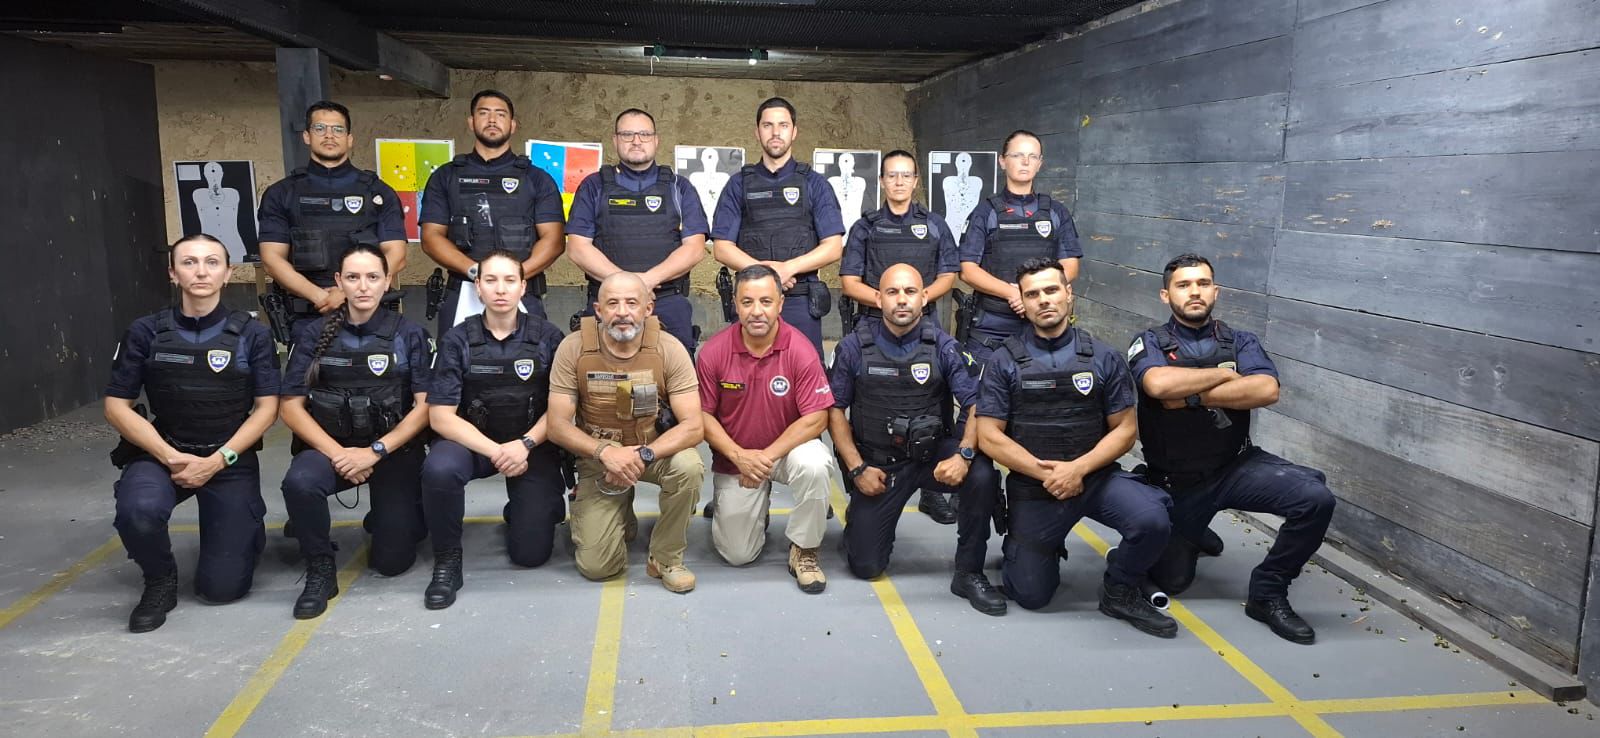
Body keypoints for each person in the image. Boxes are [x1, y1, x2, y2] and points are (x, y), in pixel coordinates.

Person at [1130, 253, 1336, 644]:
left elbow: (1266, 390)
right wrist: (1224, 377)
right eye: (1183, 285)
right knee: (1172, 581)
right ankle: (1191, 532)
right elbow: (1158, 385)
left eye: (1203, 284)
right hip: (1176, 483)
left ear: (1216, 291)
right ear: (1165, 295)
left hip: (1235, 466)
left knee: (1315, 498)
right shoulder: (1150, 341)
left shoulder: (1241, 341)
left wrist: (1192, 397)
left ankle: (1268, 593)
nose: (1195, 292)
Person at [975, 257, 1177, 638]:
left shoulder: (1103, 357)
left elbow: (1125, 431)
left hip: (1096, 478)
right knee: (1031, 595)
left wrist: (1077, 469)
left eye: (1051, 290)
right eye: (1032, 294)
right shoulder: (1003, 361)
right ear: (1022, 302)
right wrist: (1047, 473)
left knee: (1152, 518)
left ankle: (1120, 589)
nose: (1043, 300)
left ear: (1068, 294)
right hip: (1036, 486)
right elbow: (989, 435)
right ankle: (1040, 547)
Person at [103, 234, 281, 633]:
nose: (201, 271)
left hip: (228, 458)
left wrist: (218, 461)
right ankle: (159, 580)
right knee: (138, 510)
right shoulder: (145, 332)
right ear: (173, 273)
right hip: (164, 450)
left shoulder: (253, 335)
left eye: (212, 262)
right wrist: (169, 457)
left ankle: (245, 530)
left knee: (222, 589)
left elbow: (267, 409)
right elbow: (117, 406)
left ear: (227, 273)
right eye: (189, 262)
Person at [829, 264, 1004, 614]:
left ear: (924, 298)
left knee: (982, 474)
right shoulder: (852, 347)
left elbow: (976, 404)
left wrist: (964, 455)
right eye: (892, 292)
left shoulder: (944, 346)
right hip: (879, 465)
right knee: (866, 565)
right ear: (878, 299)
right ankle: (862, 521)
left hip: (933, 457)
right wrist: (857, 469)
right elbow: (834, 411)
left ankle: (968, 572)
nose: (901, 300)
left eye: (910, 292)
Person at [277, 243, 434, 619]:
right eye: (353, 277)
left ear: (387, 281)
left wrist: (375, 451)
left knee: (393, 562)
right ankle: (319, 567)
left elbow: (425, 407)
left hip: (393, 452)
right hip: (333, 449)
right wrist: (340, 454)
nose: (363, 286)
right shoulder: (313, 334)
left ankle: (400, 514)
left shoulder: (410, 334)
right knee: (299, 482)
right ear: (339, 282)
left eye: (372, 277)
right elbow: (290, 407)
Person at [420, 249, 568, 609]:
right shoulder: (456, 340)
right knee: (439, 468)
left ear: (523, 287)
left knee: (530, 555)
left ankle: (532, 507)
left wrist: (525, 444)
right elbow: (440, 417)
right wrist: (498, 451)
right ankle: (447, 560)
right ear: (478, 288)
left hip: (531, 444)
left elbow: (563, 408)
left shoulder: (549, 337)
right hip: (474, 444)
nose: (500, 289)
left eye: (509, 280)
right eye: (491, 280)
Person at [546, 272, 706, 591]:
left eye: (632, 303)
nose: (622, 312)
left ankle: (666, 557)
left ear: (648, 309)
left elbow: (693, 425)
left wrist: (642, 454)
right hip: (599, 458)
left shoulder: (669, 349)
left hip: (652, 451)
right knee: (598, 567)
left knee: (689, 466)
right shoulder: (573, 348)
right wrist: (605, 452)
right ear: (598, 310)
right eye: (612, 304)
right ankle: (619, 513)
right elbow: (557, 425)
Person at [697, 265, 836, 592]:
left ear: (780, 304)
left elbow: (817, 418)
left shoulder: (800, 349)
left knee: (816, 464)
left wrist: (765, 457)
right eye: (747, 302)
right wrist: (739, 457)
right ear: (735, 303)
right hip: (737, 459)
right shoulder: (713, 352)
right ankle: (753, 509)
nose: (757, 311)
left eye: (766, 301)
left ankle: (804, 549)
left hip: (785, 454)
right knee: (738, 555)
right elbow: (702, 416)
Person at [258, 101, 408, 343]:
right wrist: (320, 297)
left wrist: (349, 295)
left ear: (350, 139)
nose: (329, 135)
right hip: (308, 316)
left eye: (338, 129)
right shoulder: (282, 193)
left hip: (370, 316)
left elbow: (397, 255)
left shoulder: (378, 192)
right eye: (320, 128)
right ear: (307, 136)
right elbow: (271, 259)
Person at [710, 97, 846, 359]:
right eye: (767, 125)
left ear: (794, 132)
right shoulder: (738, 185)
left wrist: (788, 268)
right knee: (747, 374)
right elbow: (722, 248)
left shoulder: (815, 184)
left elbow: (833, 247)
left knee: (804, 374)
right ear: (757, 131)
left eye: (783, 125)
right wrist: (768, 274)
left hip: (801, 300)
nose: (775, 132)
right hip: (752, 303)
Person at [420, 89, 565, 332]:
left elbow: (554, 240)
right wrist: (478, 273)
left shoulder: (537, 179)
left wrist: (512, 278)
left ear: (513, 125)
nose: (492, 120)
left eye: (500, 114)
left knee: (532, 355)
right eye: (484, 113)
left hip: (522, 291)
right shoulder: (445, 176)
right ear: (471, 122)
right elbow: (431, 237)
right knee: (454, 356)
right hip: (464, 289)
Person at [565, 108, 708, 351]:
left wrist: (647, 281)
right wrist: (627, 287)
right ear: (615, 140)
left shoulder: (679, 187)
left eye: (644, 134)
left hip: (666, 302)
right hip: (608, 302)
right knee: (602, 373)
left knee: (674, 372)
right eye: (627, 134)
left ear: (656, 140)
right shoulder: (593, 186)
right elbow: (578, 248)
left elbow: (695, 248)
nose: (636, 141)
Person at [958, 130, 1083, 365]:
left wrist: (1035, 294)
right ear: (1002, 161)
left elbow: (1071, 266)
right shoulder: (985, 213)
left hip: (1044, 323)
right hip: (993, 327)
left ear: (1040, 163)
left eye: (1032, 156)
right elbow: (967, 270)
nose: (1025, 161)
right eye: (1017, 155)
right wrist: (1013, 293)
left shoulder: (1056, 212)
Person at [839, 150, 960, 330]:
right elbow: (850, 283)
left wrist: (914, 302)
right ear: (881, 181)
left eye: (906, 176)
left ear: (915, 181)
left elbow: (948, 276)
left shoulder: (935, 225)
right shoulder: (864, 227)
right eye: (892, 175)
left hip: (923, 321)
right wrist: (890, 304)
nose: (899, 182)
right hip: (874, 322)